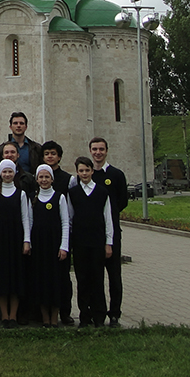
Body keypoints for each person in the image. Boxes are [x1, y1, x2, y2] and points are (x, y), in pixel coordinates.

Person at [67, 156, 113, 328]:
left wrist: (109, 242)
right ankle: (84, 315)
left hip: (97, 241)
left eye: (87, 170)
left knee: (97, 278)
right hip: (80, 242)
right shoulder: (73, 193)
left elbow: (107, 219)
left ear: (92, 171)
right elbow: (70, 218)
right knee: (82, 279)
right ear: (77, 173)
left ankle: (99, 315)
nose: (84, 173)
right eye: (81, 171)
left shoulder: (102, 193)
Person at [86, 137, 128, 328]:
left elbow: (122, 200)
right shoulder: (87, 175)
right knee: (95, 274)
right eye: (94, 149)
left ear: (106, 151)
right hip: (94, 234)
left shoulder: (116, 175)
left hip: (112, 232)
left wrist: (109, 217)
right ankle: (98, 312)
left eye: (101, 149)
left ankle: (115, 313)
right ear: (90, 151)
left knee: (114, 274)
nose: (98, 153)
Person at [0, 158, 31, 328]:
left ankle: (13, 315)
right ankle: (4, 315)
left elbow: (25, 218)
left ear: (14, 174)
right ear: (0, 174)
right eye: (4, 172)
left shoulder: (21, 194)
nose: (7, 174)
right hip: (0, 240)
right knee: (1, 278)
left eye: (10, 171)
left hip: (15, 239)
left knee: (15, 278)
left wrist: (26, 240)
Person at [31, 165, 69, 328]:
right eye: (41, 177)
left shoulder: (59, 197)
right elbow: (30, 221)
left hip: (54, 244)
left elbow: (65, 222)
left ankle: (55, 316)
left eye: (47, 177)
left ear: (52, 179)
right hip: (39, 245)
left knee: (55, 280)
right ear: (37, 179)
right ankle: (45, 317)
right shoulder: (33, 197)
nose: (44, 180)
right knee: (41, 280)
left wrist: (64, 246)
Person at [42, 140, 72, 325]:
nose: (50, 156)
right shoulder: (40, 177)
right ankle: (44, 314)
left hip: (60, 236)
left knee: (63, 278)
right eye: (47, 154)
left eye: (53, 153)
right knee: (44, 277)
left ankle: (65, 312)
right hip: (44, 237)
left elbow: (69, 212)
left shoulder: (67, 179)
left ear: (59, 156)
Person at [0, 112, 43, 177]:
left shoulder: (36, 148)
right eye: (15, 123)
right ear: (10, 127)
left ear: (26, 127)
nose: (18, 125)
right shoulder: (1, 149)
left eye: (21, 123)